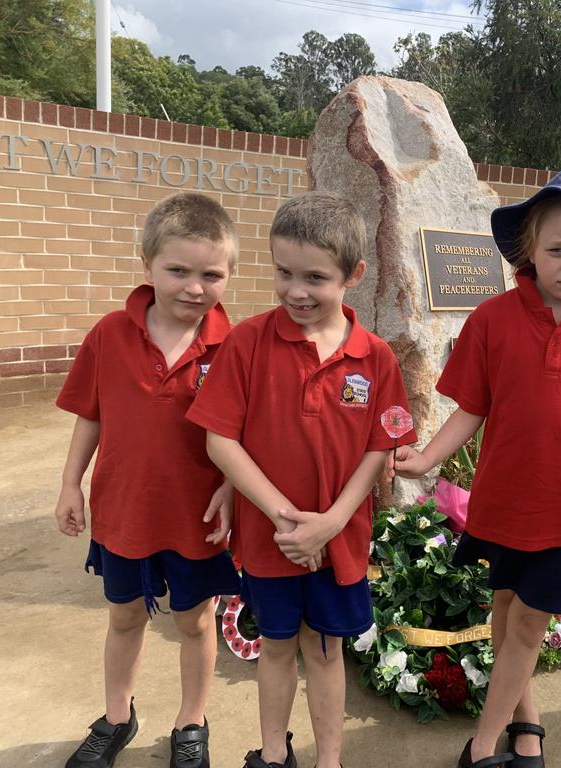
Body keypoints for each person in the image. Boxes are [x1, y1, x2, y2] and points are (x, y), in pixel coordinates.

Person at [395, 166, 561, 768]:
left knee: (530, 618)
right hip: (507, 500)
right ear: (528, 249)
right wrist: (427, 457)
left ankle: (481, 748)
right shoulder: (492, 320)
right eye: (557, 249)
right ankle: (526, 719)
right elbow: (470, 407)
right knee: (507, 607)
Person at [186, 192, 417, 768]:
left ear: (353, 275)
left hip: (339, 538)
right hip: (272, 539)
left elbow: (378, 448)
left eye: (315, 277)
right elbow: (221, 440)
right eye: (283, 272)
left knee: (325, 649)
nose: (296, 290)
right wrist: (284, 517)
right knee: (276, 646)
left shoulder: (376, 358)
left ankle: (329, 759)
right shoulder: (247, 342)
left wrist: (332, 521)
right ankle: (271, 753)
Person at [55, 192, 241, 768]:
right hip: (124, 509)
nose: (194, 287)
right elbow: (92, 413)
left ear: (229, 274)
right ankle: (117, 716)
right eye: (177, 270)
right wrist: (70, 484)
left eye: (211, 274)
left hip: (197, 516)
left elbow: (245, 433)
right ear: (146, 264)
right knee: (125, 615)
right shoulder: (109, 335)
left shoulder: (236, 347)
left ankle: (191, 721)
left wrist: (232, 489)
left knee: (195, 619)